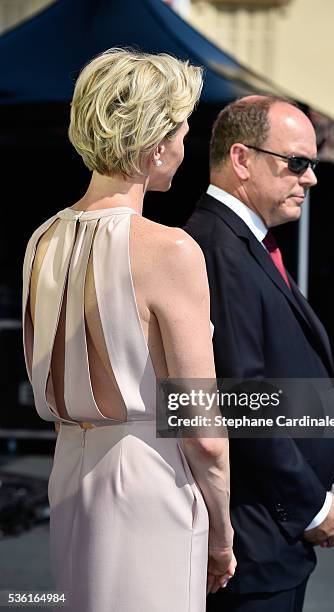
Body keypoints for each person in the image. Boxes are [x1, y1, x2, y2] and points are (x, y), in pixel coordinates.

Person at [22, 48, 235, 612]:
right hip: (149, 482)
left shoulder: (41, 242)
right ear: (154, 142)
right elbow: (204, 430)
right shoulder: (170, 250)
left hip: (69, 476)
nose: (184, 149)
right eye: (182, 132)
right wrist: (222, 532)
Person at [185, 95, 334, 612]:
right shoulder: (219, 247)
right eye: (297, 163)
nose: (311, 178)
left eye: (314, 164)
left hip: (271, 536)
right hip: (256, 542)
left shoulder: (244, 242)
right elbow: (239, 397)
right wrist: (309, 505)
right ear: (241, 159)